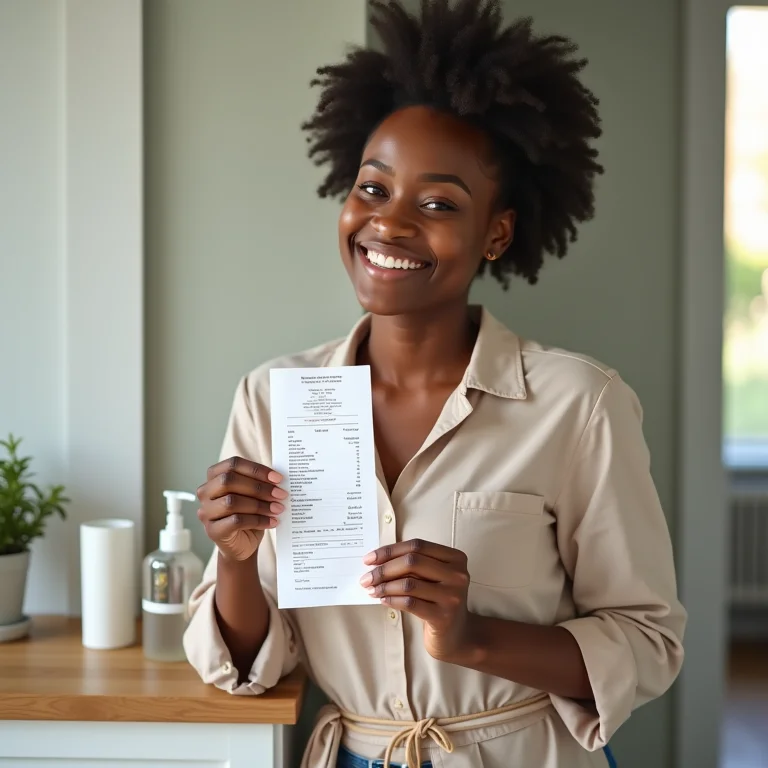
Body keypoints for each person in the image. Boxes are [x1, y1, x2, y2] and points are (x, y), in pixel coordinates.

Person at [184, 1, 686, 766]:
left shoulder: (578, 405)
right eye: (373, 189)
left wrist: (471, 635)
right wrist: (235, 557)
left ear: (497, 232)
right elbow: (258, 663)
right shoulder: (270, 398)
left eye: (438, 203)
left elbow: (647, 642)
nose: (388, 224)